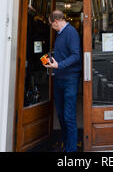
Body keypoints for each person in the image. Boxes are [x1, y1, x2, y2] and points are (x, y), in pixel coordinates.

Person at [45, 10, 82, 153]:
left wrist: (59, 65)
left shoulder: (71, 33)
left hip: (70, 79)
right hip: (59, 78)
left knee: (69, 116)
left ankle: (71, 150)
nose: (51, 27)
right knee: (61, 114)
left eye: (51, 25)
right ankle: (67, 144)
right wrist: (52, 59)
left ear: (56, 22)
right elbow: (64, 54)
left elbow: (76, 56)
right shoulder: (59, 34)